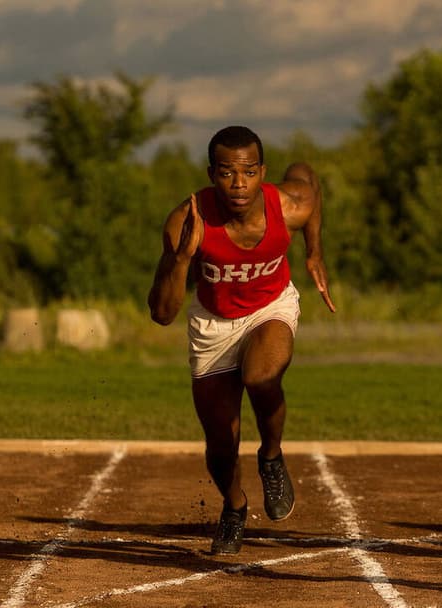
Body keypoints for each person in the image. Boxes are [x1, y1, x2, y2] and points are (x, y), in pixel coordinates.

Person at [148, 126, 335, 554]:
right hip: (213, 324)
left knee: (262, 375)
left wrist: (315, 250)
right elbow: (161, 314)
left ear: (262, 172)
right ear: (212, 173)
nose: (239, 184)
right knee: (220, 440)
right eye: (228, 173)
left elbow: (307, 175)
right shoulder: (185, 221)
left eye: (249, 172)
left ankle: (270, 454)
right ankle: (234, 507)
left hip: (271, 307)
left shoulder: (288, 205)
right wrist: (181, 260)